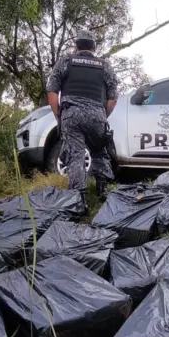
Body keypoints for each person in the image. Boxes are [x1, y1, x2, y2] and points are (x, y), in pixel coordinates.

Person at [46, 29, 119, 207]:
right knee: (100, 150)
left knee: (76, 154)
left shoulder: (66, 61)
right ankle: (102, 190)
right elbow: (113, 98)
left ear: (76, 45)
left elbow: (52, 91)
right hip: (97, 114)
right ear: (94, 47)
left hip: (71, 114)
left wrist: (59, 115)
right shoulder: (104, 66)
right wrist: (102, 115)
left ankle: (79, 200)